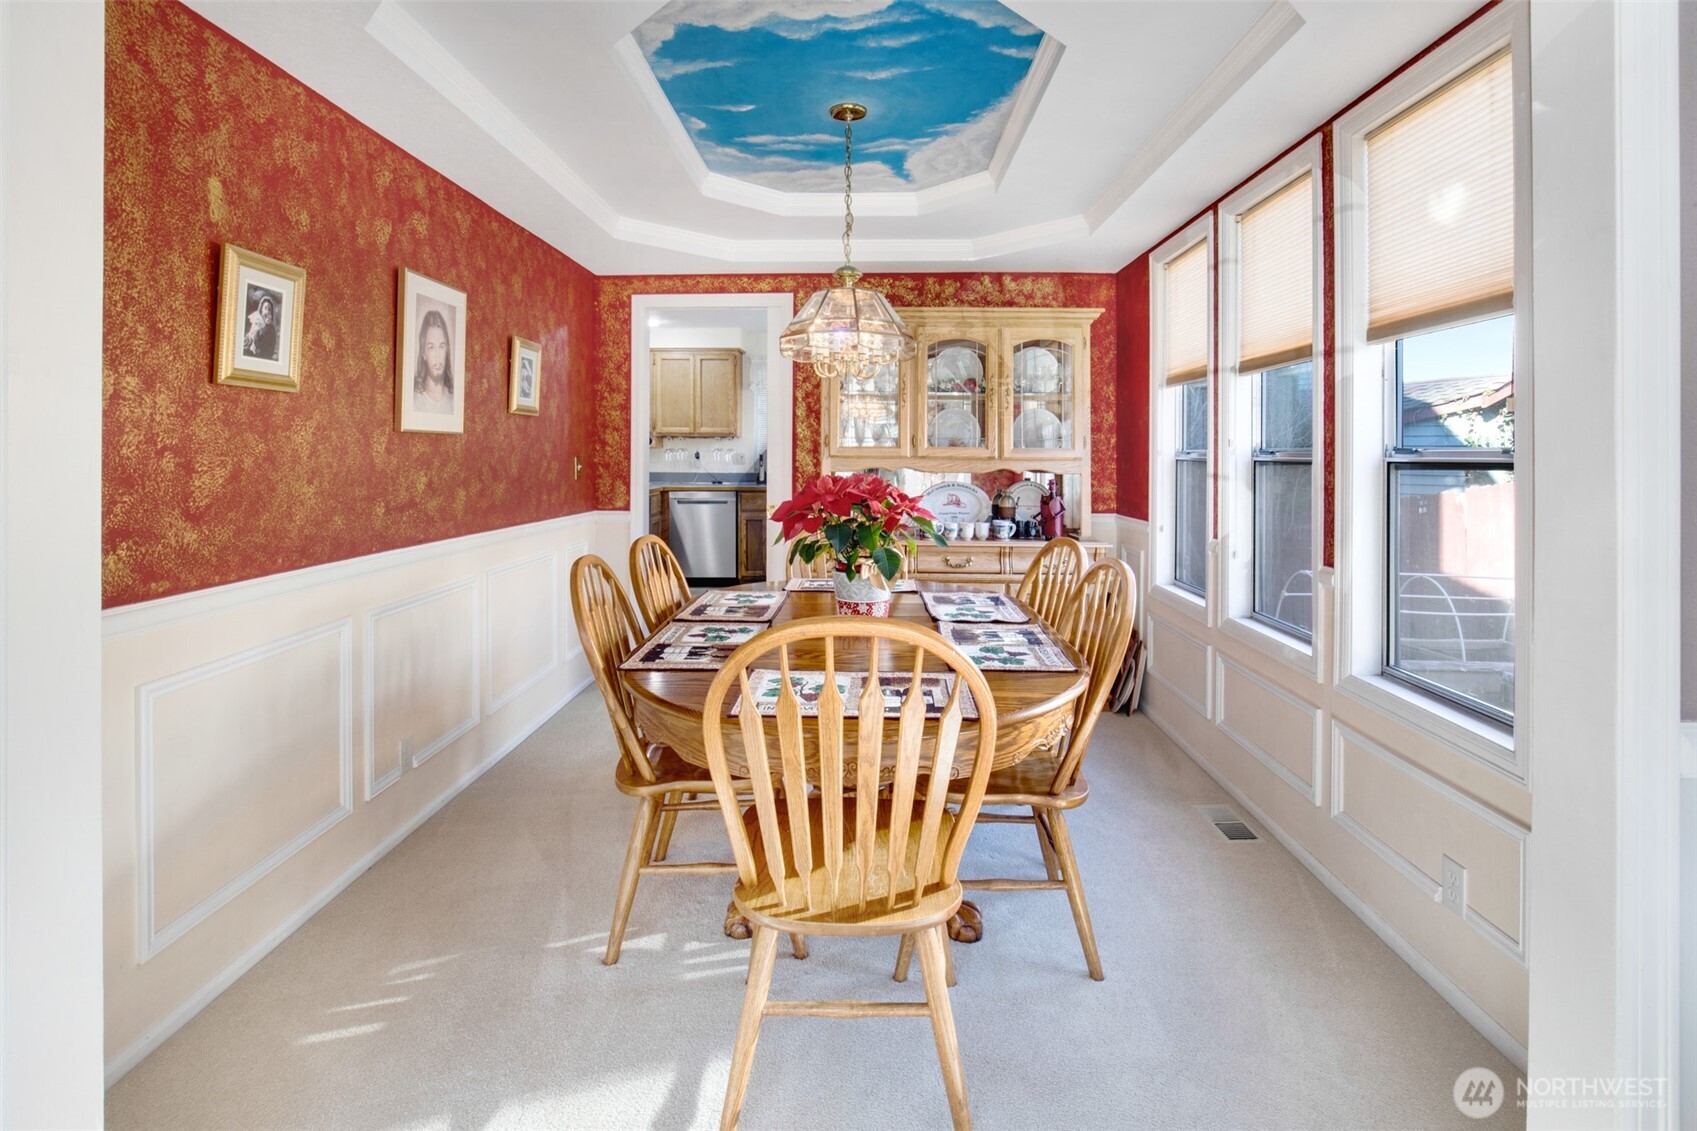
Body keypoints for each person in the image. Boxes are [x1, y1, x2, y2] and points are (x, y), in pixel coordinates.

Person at [412, 309, 454, 414]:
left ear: (447, 351)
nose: (437, 356)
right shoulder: (414, 400)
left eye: (441, 346)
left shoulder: (454, 401)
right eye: (431, 347)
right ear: (424, 353)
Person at [244, 292, 278, 360]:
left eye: (269, 309)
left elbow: (268, 349)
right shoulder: (256, 322)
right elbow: (249, 337)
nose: (267, 311)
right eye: (265, 308)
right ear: (261, 309)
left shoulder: (270, 328)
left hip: (262, 355)